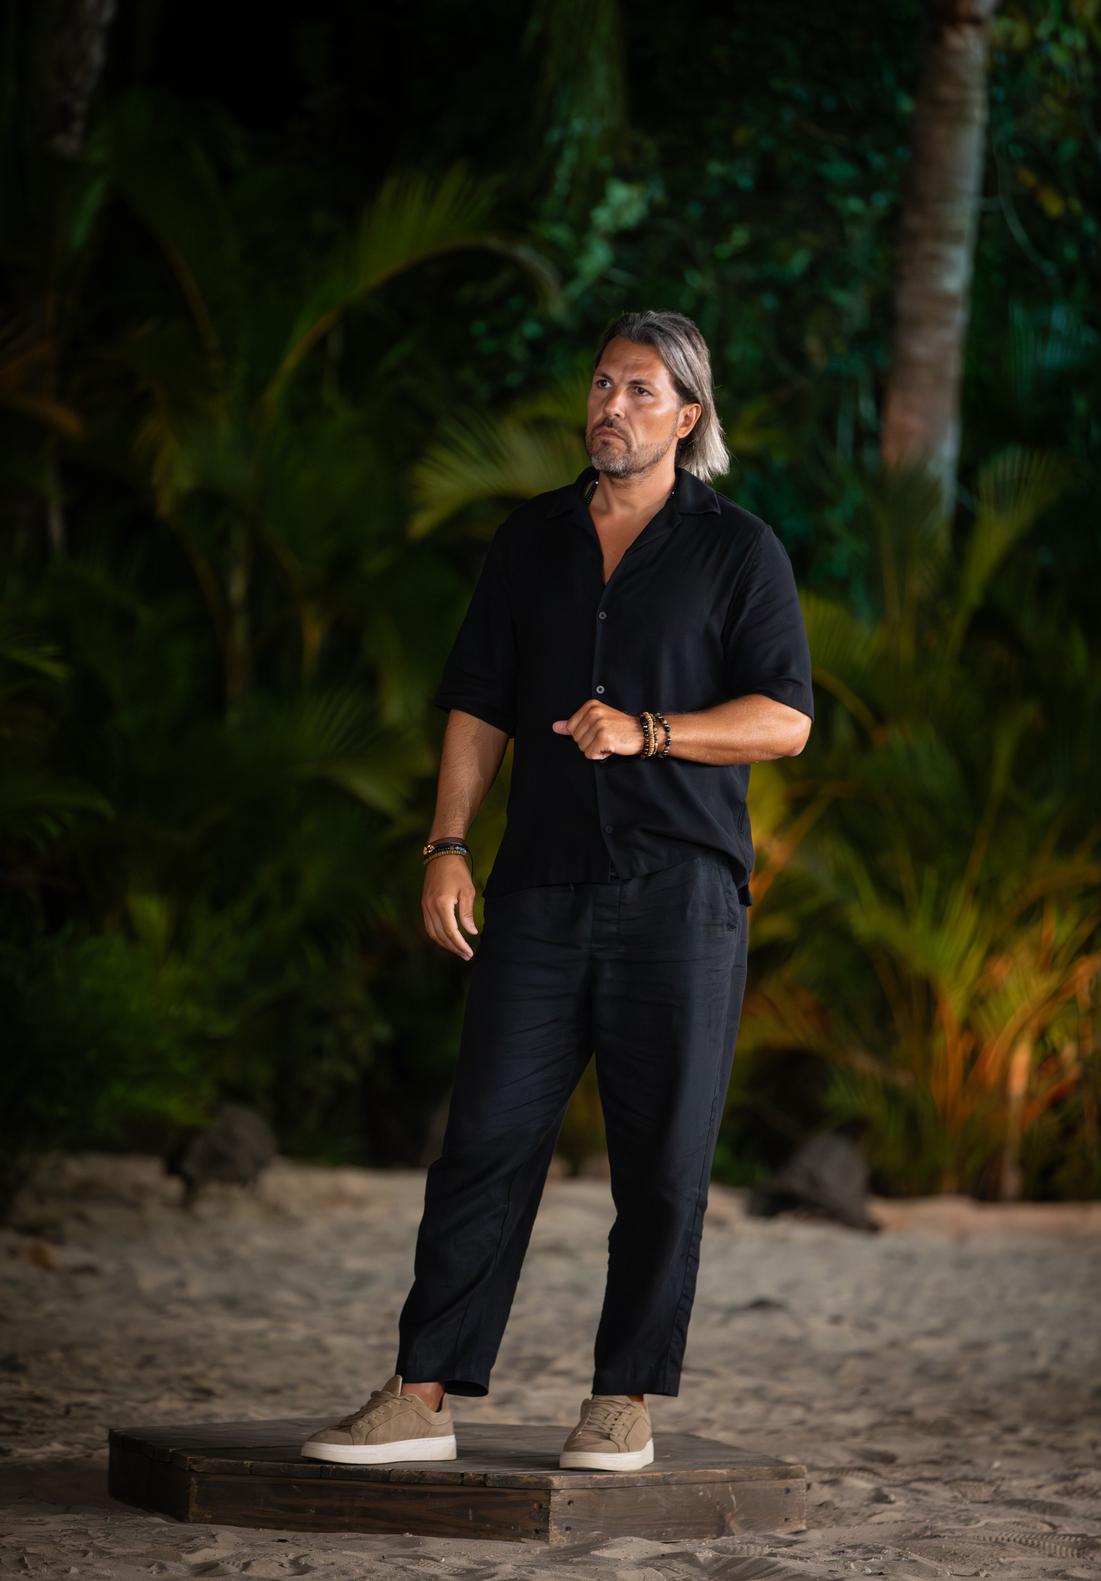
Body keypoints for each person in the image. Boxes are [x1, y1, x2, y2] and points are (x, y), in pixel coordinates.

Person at [301, 309, 814, 1473]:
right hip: (536, 892)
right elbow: (477, 704)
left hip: (679, 897)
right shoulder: (528, 540)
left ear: (686, 417)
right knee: (482, 1142)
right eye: (600, 385)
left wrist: (650, 731)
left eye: (639, 392)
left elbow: (783, 719)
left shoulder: (738, 551)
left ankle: (621, 1400)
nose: (610, 407)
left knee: (661, 1165)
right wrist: (445, 845)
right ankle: (421, 1394)